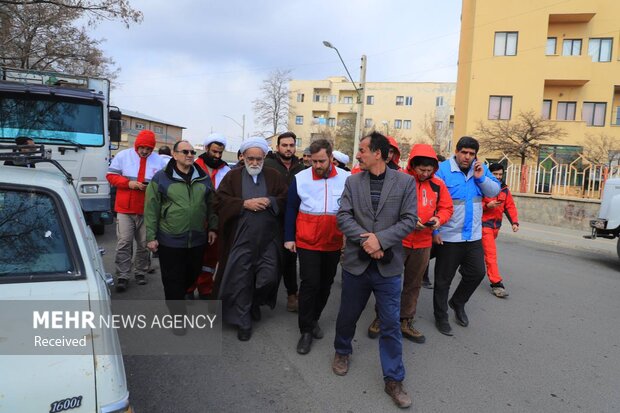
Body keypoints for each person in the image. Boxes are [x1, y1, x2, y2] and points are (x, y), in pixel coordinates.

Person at [332, 132, 417, 409]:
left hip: (388, 268)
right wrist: (366, 240)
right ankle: (342, 351)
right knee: (348, 314)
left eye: (363, 150)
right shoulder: (353, 181)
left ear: (378, 153)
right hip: (357, 264)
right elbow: (343, 216)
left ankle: (393, 379)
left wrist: (380, 240)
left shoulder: (405, 182)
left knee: (390, 324)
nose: (358, 155)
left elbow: (409, 220)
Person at [367, 144, 453, 344]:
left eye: (429, 170)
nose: (425, 173)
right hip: (398, 240)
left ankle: (405, 320)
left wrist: (438, 220)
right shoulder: (399, 180)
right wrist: (407, 220)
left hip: (422, 243)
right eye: (421, 170)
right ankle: (381, 317)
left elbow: (446, 208)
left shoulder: (438, 185)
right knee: (388, 280)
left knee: (413, 284)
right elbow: (386, 206)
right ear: (413, 166)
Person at [215, 137, 288, 341]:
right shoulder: (233, 176)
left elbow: (285, 199)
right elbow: (219, 200)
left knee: (269, 277)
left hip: (268, 239)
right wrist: (243, 204)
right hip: (241, 238)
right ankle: (243, 320)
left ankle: (255, 303)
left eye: (258, 159)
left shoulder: (273, 175)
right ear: (243, 157)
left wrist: (270, 200)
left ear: (264, 157)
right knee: (241, 280)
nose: (254, 163)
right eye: (250, 158)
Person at [144, 140, 218, 334]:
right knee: (172, 280)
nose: (190, 154)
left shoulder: (203, 178)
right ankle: (177, 316)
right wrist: (151, 236)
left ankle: (183, 294)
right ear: (174, 155)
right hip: (170, 239)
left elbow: (212, 205)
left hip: (197, 239)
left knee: (192, 274)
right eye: (185, 151)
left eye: (192, 151)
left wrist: (213, 228)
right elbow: (152, 209)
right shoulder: (161, 178)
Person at [284, 139, 350, 355]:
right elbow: (291, 208)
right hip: (307, 241)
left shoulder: (346, 178)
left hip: (333, 241)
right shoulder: (300, 178)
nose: (317, 166)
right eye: (314, 162)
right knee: (310, 283)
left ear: (332, 158)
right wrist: (289, 237)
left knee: (326, 283)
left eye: (322, 161)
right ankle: (305, 330)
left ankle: (314, 319)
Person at [433, 136, 500, 336]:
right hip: (449, 236)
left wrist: (480, 177)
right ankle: (441, 316)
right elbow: (433, 202)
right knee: (443, 279)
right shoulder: (443, 170)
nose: (467, 157)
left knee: (477, 273)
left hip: (473, 235)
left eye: (471, 154)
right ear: (457, 151)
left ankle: (458, 302)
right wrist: (434, 230)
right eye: (464, 152)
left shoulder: (481, 169)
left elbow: (494, 190)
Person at [107, 130, 166, 292]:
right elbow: (111, 175)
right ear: (136, 145)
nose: (145, 151)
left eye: (148, 148)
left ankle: (141, 272)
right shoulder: (123, 156)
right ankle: (123, 276)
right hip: (125, 209)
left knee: (144, 244)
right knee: (124, 242)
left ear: (153, 148)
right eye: (142, 148)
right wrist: (129, 184)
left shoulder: (159, 161)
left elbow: (165, 183)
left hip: (147, 210)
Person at [263, 131, 305, 312]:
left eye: (291, 145)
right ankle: (263, 295)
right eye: (284, 145)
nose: (288, 149)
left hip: (293, 220)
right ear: (277, 147)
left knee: (290, 258)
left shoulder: (301, 167)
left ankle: (291, 294)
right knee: (268, 259)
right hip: (270, 219)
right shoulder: (267, 165)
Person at [189, 133, 231, 299]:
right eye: (214, 151)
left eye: (220, 152)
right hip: (197, 218)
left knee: (211, 258)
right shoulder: (193, 166)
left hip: (217, 219)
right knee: (193, 256)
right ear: (206, 149)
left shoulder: (227, 170)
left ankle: (205, 287)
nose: (217, 156)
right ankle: (189, 288)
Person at [482, 163, 519, 298]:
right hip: (484, 225)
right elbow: (475, 205)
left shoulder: (504, 190)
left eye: (500, 174)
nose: (498, 177)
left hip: (496, 227)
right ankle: (496, 284)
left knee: (481, 251)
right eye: (495, 174)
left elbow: (510, 206)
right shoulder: (482, 187)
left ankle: (465, 267)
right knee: (491, 255)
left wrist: (514, 222)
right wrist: (487, 205)